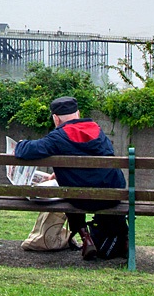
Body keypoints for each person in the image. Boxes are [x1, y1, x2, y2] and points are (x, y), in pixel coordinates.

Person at [13, 96, 125, 260]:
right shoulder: (97, 131)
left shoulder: (58, 137)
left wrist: (21, 143)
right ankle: (117, 238)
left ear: (56, 118)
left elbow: (26, 151)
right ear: (78, 113)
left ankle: (84, 236)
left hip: (80, 200)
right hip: (112, 195)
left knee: (71, 193)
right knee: (80, 189)